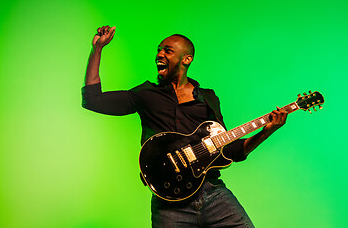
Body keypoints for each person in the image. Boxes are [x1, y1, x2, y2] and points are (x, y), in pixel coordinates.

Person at [82, 25, 288, 227]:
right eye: (158, 50)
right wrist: (97, 49)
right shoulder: (146, 94)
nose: (159, 54)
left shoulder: (208, 98)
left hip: (213, 194)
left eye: (167, 51)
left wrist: (266, 132)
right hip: (169, 204)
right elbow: (93, 100)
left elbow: (230, 150)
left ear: (186, 59)